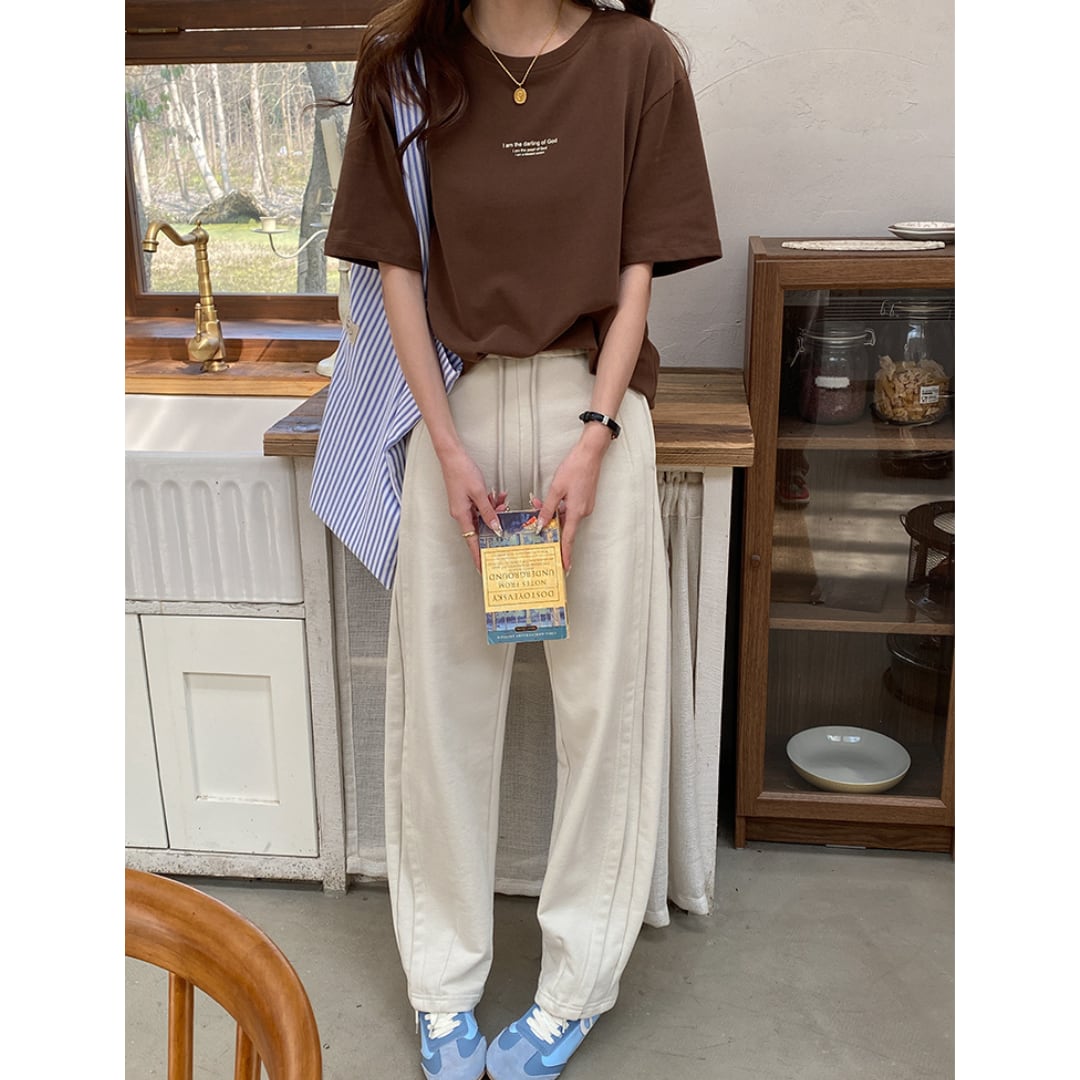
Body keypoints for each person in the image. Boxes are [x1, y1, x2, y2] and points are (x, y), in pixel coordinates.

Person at [322, 2, 721, 1077]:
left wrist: (595, 435)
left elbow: (638, 267)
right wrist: (445, 447)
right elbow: (396, 270)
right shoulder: (406, 68)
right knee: (440, 717)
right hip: (450, 405)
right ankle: (441, 985)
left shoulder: (638, 60)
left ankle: (574, 987)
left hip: (589, 409)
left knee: (606, 714)